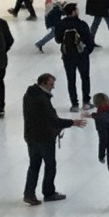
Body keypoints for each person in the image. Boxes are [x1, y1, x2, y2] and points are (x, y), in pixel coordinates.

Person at [20, 75, 75, 203]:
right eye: (51, 84)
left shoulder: (29, 95)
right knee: (50, 165)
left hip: (31, 136)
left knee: (34, 165)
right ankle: (48, 192)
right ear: (44, 83)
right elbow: (52, 120)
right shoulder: (42, 100)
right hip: (44, 138)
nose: (53, 87)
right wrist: (72, 122)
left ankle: (29, 193)